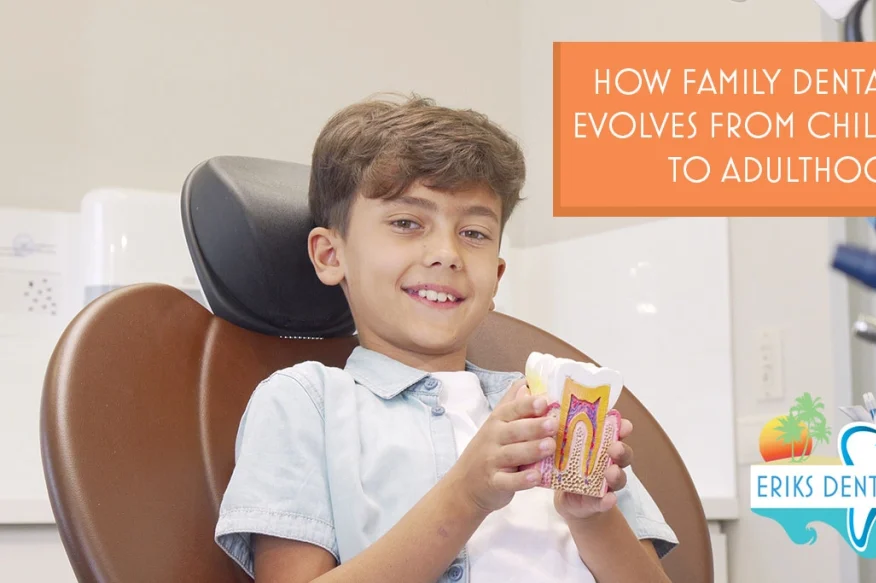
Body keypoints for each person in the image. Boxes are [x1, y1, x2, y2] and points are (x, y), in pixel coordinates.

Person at [214, 94, 678, 583]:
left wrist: (593, 514)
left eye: (474, 233)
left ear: (496, 277)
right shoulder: (305, 404)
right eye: (407, 223)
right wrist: (467, 494)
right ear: (331, 255)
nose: (446, 253)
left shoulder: (547, 406)